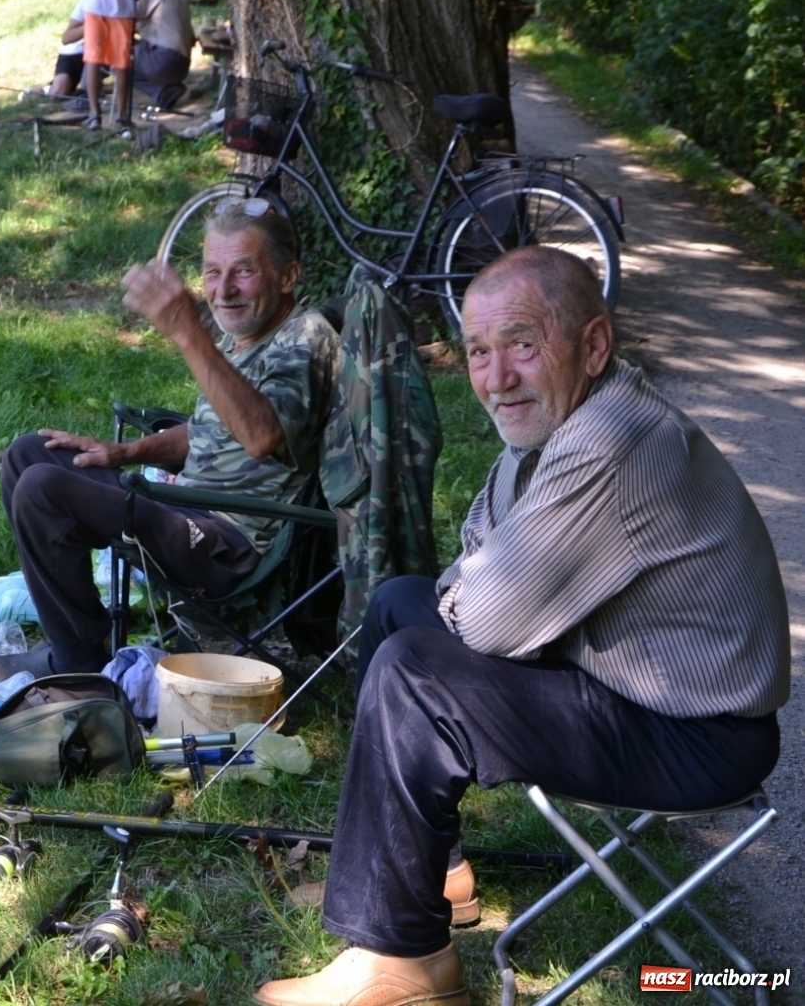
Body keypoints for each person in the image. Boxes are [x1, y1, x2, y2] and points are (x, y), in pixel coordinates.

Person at [254, 246, 790, 1006]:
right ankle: (426, 878)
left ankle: (406, 964)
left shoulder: (613, 441)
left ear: (592, 345)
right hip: (627, 687)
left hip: (697, 735)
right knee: (401, 601)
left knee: (416, 670)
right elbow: (473, 559)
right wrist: (480, 578)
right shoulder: (554, 430)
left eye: (522, 344)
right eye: (478, 351)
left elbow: (490, 616)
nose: (495, 377)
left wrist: (483, 579)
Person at [0, 201, 340, 683]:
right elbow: (212, 430)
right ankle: (78, 644)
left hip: (231, 545)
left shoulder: (306, 337)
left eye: (244, 271)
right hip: (186, 507)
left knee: (43, 489)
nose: (223, 290)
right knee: (30, 453)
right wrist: (126, 453)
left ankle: (76, 665)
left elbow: (260, 435)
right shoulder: (248, 340)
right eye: (212, 272)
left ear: (289, 275)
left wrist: (188, 332)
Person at [74, 0, 142, 130]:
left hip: (96, 8)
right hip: (122, 9)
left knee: (93, 60)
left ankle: (94, 114)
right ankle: (121, 115)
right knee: (121, 63)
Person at [132, 0, 196, 110]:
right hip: (182, 66)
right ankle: (166, 90)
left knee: (113, 53)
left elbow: (126, 17)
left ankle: (87, 95)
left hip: (164, 60)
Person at [46, 0, 87, 101]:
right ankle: (46, 89)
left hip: (108, 49)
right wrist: (95, 24)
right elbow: (66, 38)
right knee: (58, 94)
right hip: (76, 51)